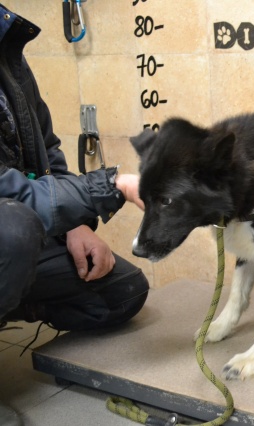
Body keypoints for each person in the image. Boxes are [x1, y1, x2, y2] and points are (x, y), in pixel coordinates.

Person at [0, 5, 148, 425]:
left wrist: (74, 223)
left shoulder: (7, 45)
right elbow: (8, 193)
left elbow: (46, 151)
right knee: (15, 231)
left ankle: (11, 301)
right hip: (9, 229)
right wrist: (114, 186)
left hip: (15, 232)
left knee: (122, 293)